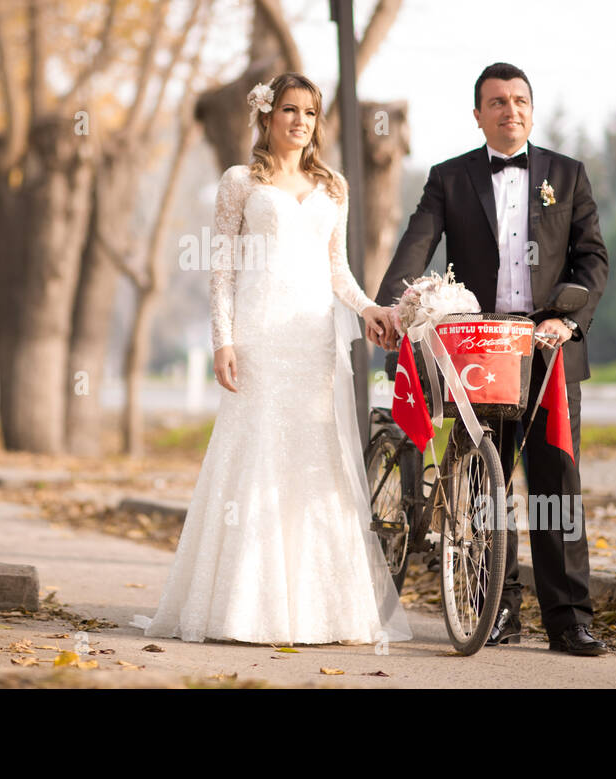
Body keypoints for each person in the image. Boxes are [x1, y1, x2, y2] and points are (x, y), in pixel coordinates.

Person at [133, 73, 412, 645]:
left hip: (312, 340)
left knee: (316, 463)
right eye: (289, 110)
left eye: (309, 113)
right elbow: (223, 269)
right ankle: (243, 607)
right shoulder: (240, 182)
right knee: (254, 455)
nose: (299, 122)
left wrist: (368, 309)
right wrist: (223, 340)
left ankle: (319, 611)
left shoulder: (334, 186)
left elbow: (337, 270)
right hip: (259, 335)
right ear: (267, 116)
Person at [370, 62, 609, 656]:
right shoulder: (449, 179)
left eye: (520, 100)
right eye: (497, 102)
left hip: (548, 352)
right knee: (481, 481)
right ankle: (494, 609)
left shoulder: (567, 174)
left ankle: (569, 618)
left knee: (557, 484)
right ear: (477, 114)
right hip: (475, 347)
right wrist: (389, 308)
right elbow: (416, 245)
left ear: (533, 107)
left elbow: (592, 261)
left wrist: (567, 320)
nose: (511, 110)